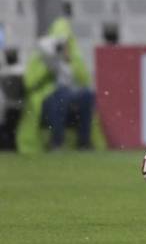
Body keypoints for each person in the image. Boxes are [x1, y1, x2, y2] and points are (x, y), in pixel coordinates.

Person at [16, 16, 105, 153]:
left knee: (87, 95)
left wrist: (70, 62)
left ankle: (84, 142)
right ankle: (57, 142)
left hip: (70, 99)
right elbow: (29, 83)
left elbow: (85, 81)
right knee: (60, 95)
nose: (61, 46)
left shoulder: (74, 56)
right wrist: (48, 67)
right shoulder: (40, 55)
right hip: (46, 100)